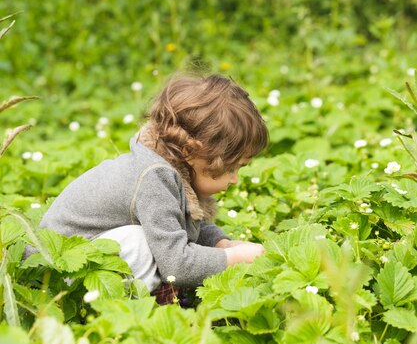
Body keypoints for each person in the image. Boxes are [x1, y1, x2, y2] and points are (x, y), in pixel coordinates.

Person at [39, 74, 268, 303]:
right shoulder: (154, 178)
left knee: (151, 242)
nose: (235, 179)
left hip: (79, 257)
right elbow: (178, 265)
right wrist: (232, 258)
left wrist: (222, 244)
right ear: (191, 152)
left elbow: (180, 224)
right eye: (231, 168)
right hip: (55, 273)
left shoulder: (173, 166)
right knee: (139, 243)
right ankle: (148, 305)